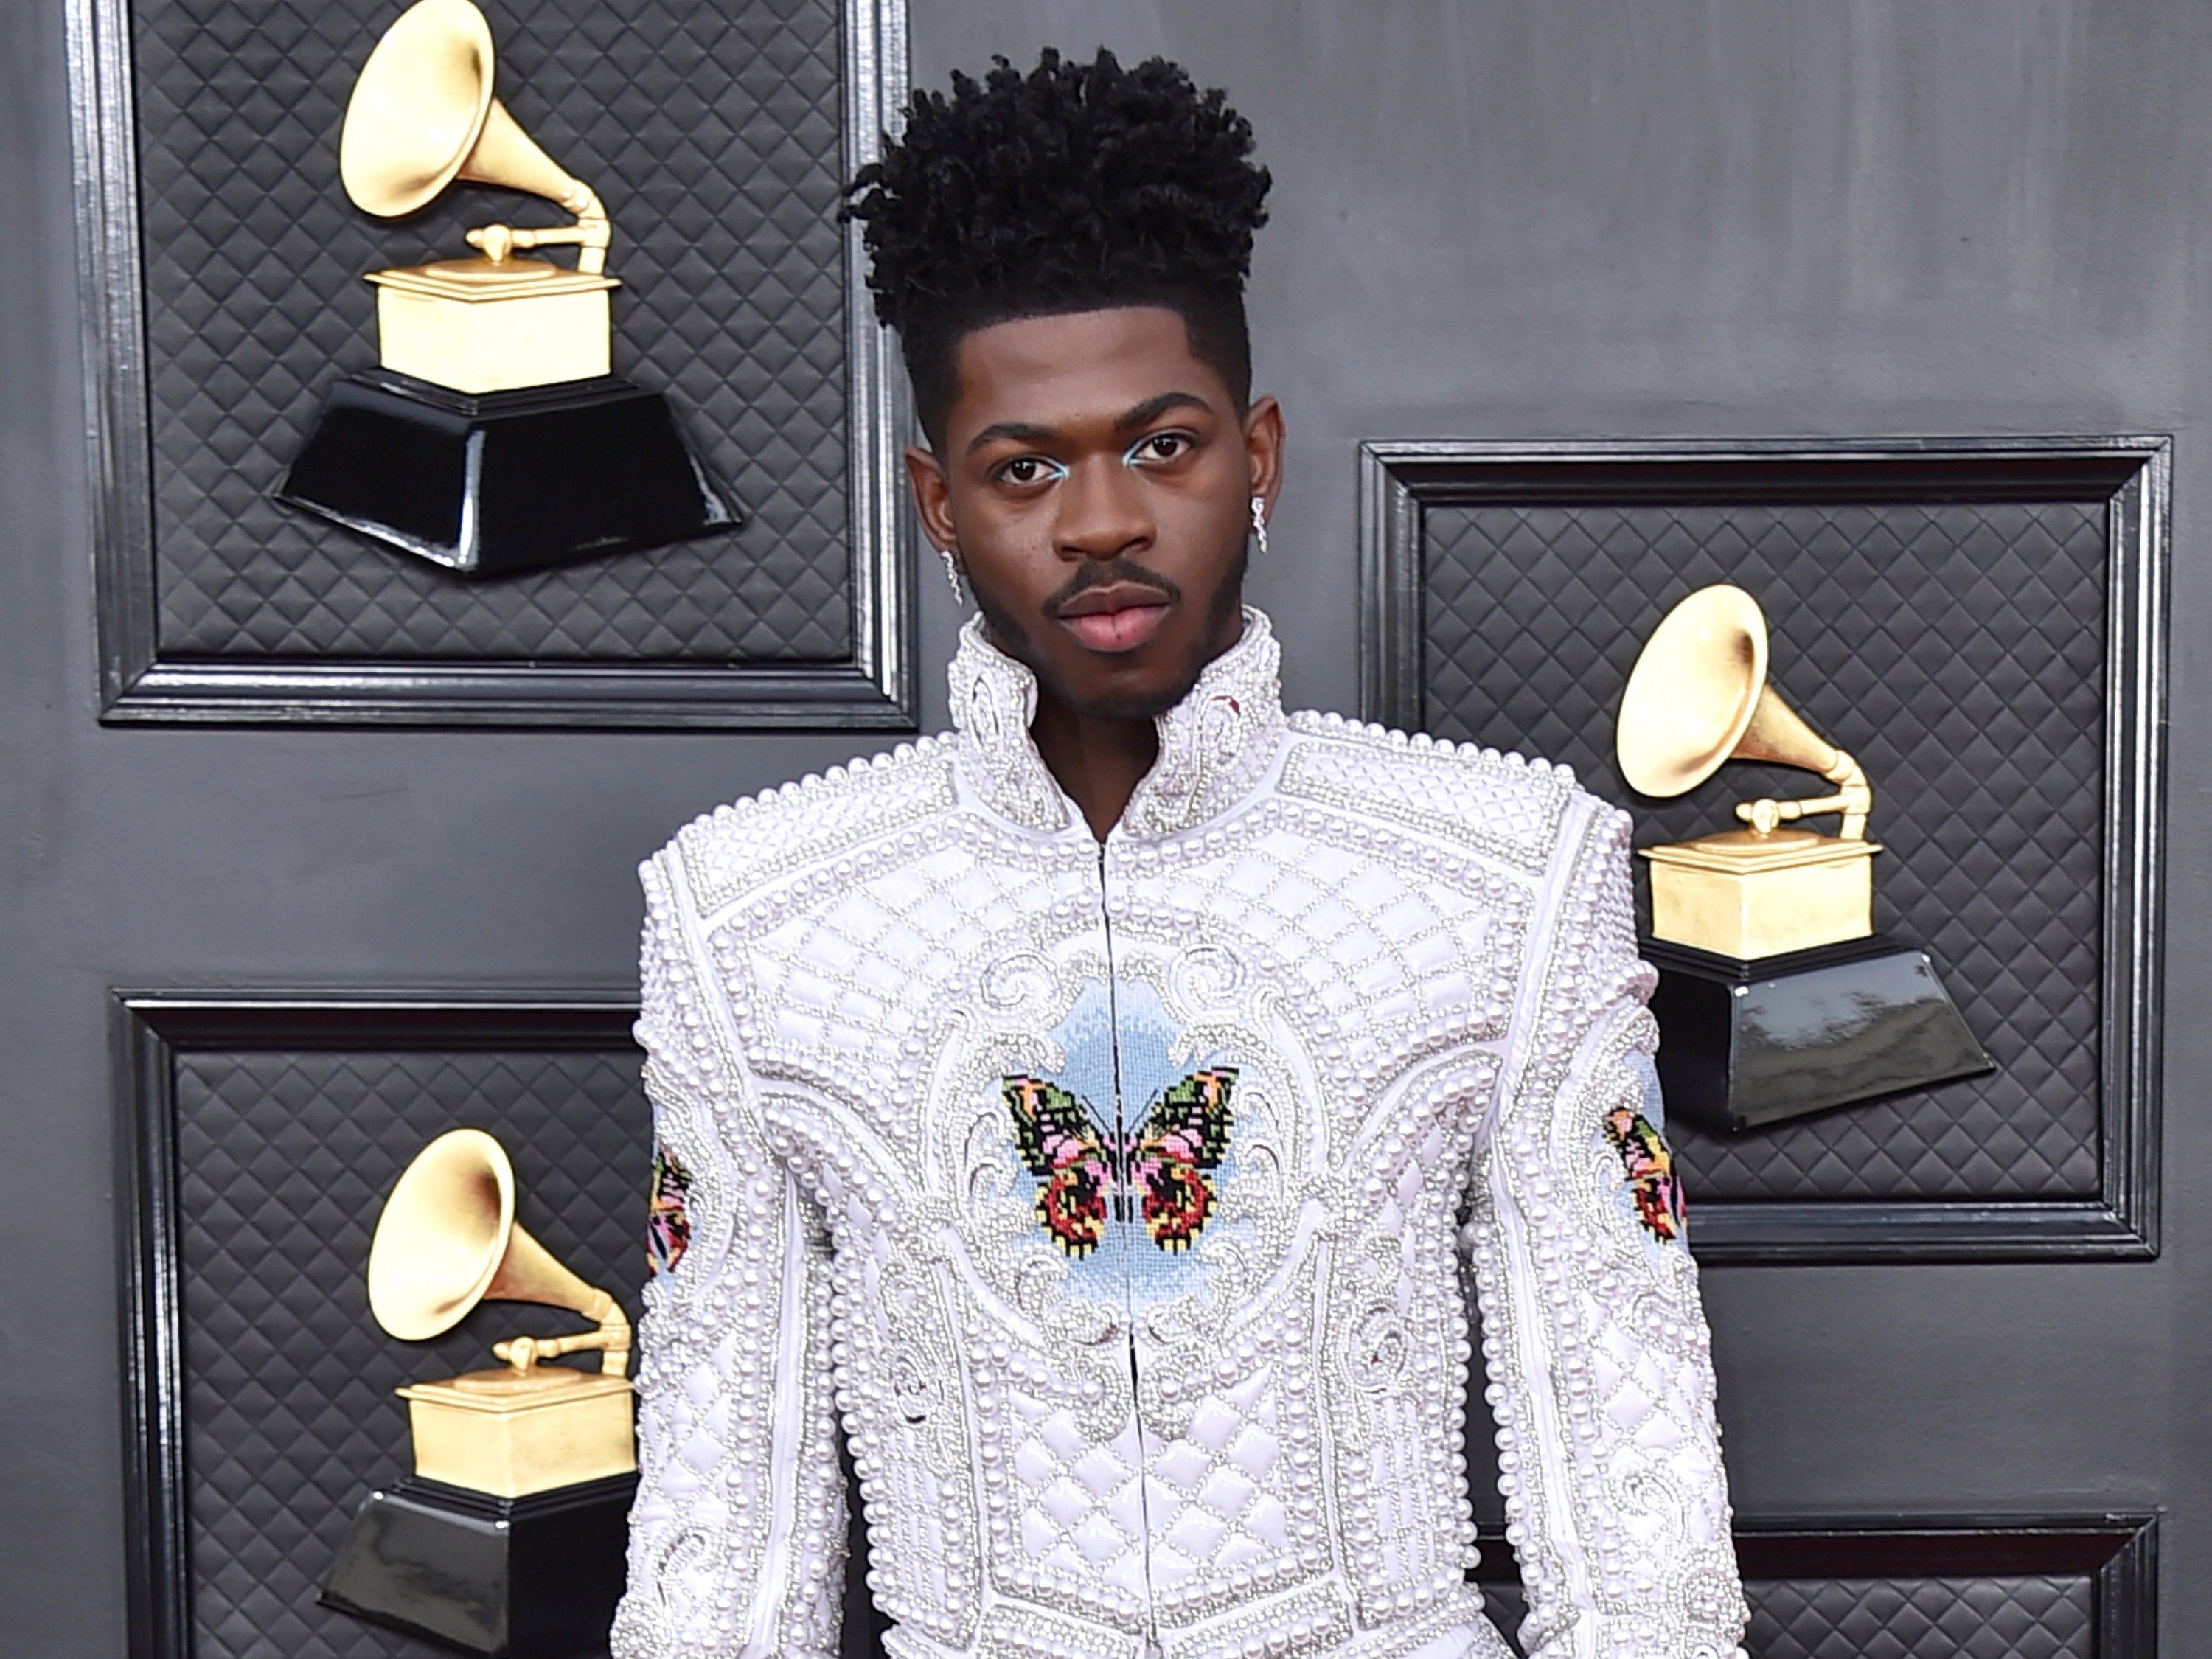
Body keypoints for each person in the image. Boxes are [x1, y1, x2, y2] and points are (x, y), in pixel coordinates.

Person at [613, 48, 1747, 1659]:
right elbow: (718, 1542)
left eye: (1161, 446)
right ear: (938, 504)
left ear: (1256, 456)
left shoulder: (1505, 874)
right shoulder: (752, 917)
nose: (1102, 523)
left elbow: (1634, 1485)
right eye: (1026, 468)